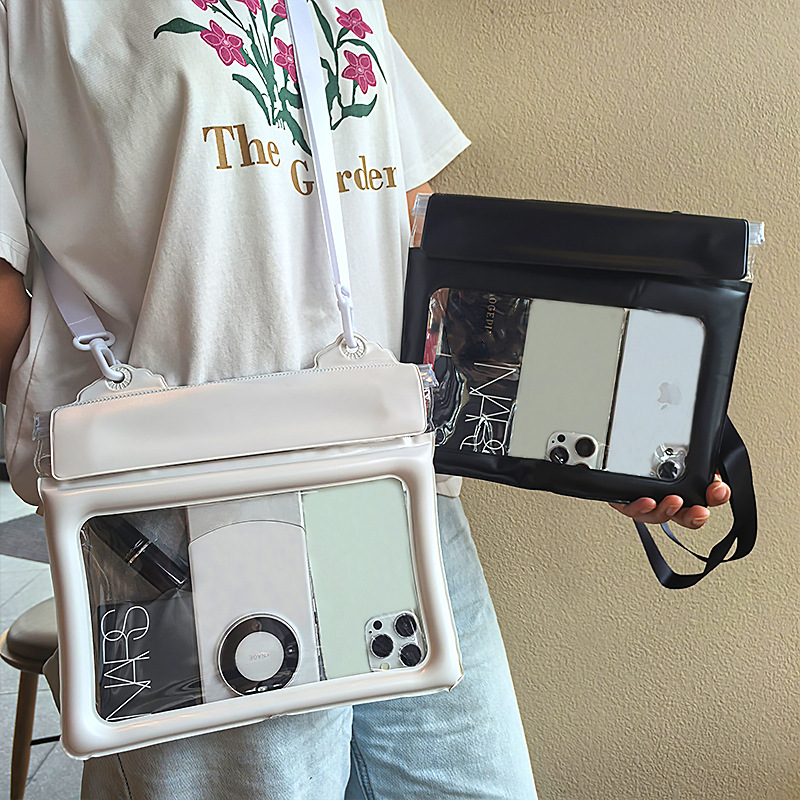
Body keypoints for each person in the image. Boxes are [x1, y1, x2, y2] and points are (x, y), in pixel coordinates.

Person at [0, 1, 730, 798]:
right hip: (194, 515)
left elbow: (411, 221)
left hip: (391, 487)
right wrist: (79, 434)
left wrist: (584, 428)